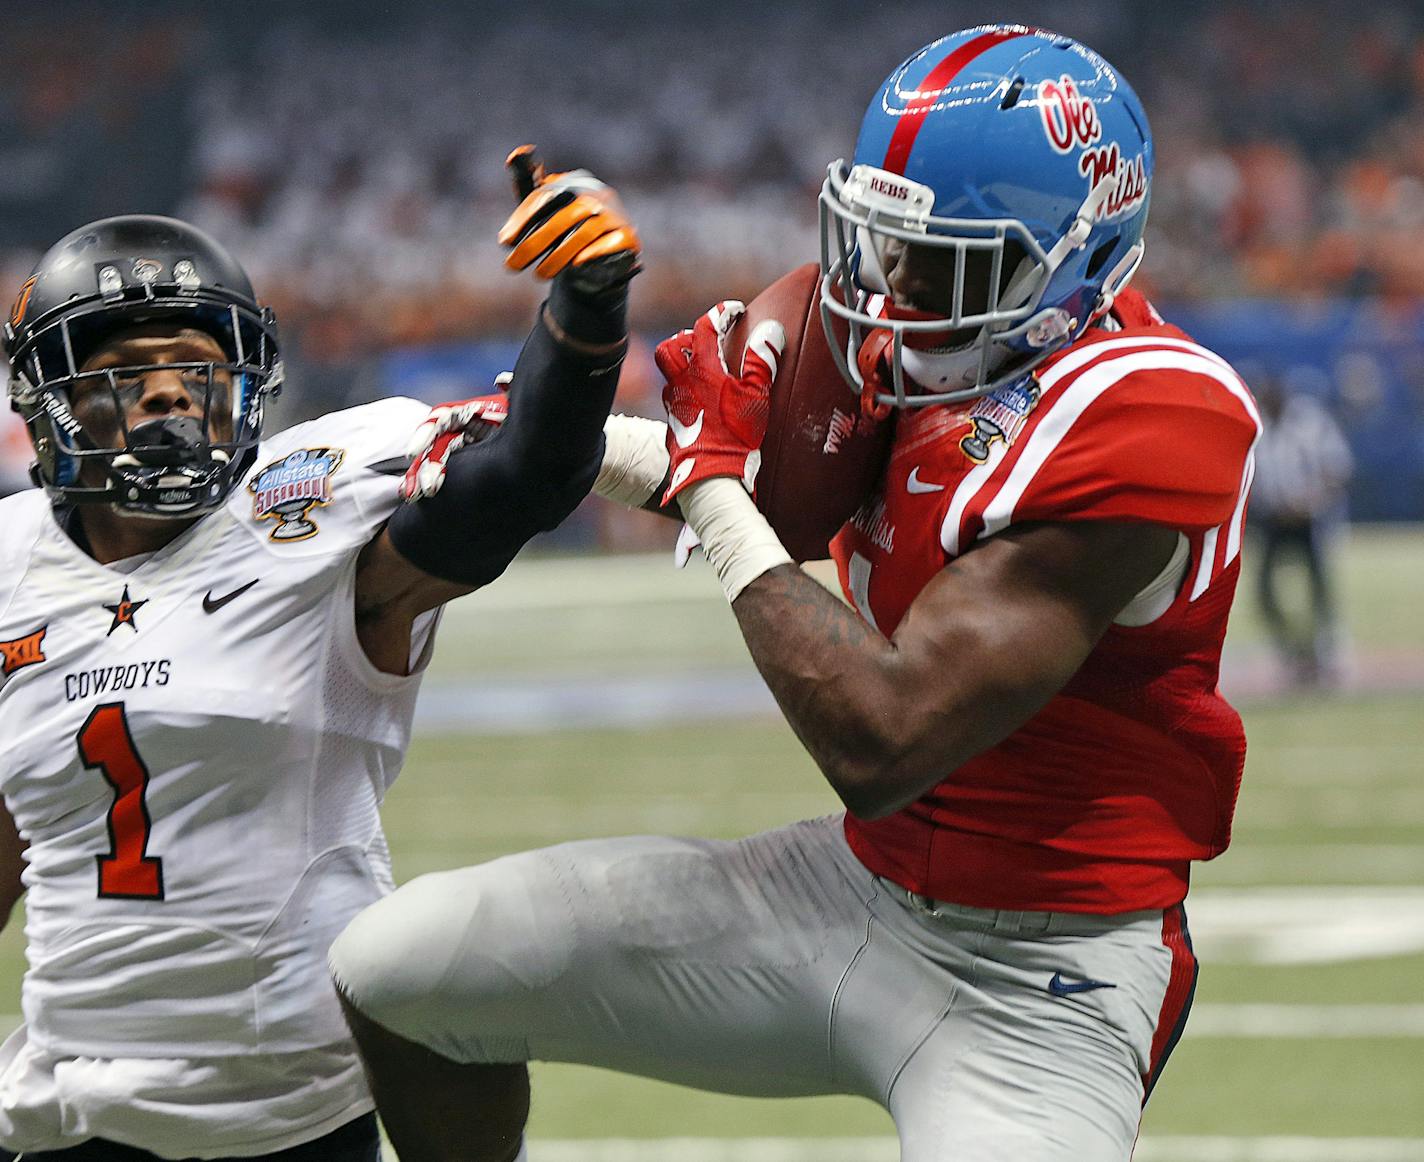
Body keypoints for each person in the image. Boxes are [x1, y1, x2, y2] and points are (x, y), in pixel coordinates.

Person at [330, 26, 1262, 1162]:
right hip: (856, 890)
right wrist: (575, 445)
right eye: (893, 243)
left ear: (1076, 257)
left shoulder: (1149, 413)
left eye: (948, 261)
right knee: (400, 970)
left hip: (1043, 971)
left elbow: (884, 738)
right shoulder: (924, 330)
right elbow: (770, 488)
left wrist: (712, 484)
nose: (897, 288)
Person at [0, 148, 643, 1160]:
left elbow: (525, 476)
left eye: (198, 368)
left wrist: (587, 308)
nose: (171, 395)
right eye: (129, 373)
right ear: (49, 402)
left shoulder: (307, 520)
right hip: (58, 1111)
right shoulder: (8, 566)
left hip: (283, 1113)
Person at [1249, 368, 1354, 687]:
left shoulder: (1311, 422)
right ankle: (1293, 651)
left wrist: (1312, 502)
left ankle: (1325, 652)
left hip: (1311, 518)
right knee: (1264, 591)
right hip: (1273, 520)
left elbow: (1337, 469)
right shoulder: (1256, 427)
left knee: (1319, 586)